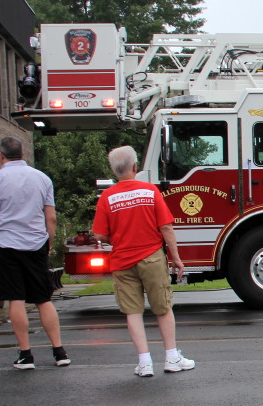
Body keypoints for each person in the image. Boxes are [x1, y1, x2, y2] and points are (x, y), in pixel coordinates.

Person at [92, 146, 196, 377]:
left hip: (122, 261)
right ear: (135, 167)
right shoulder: (150, 191)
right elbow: (166, 227)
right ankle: (171, 358)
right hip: (152, 258)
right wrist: (176, 258)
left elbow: (99, 234)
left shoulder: (107, 197)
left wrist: (117, 237)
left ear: (113, 170)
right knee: (162, 308)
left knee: (133, 312)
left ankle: (145, 362)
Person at [0, 136, 70, 370]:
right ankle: (59, 352)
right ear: (23, 155)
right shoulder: (42, 178)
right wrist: (48, 242)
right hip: (36, 244)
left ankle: (26, 355)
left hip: (6, 245)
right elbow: (51, 217)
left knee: (15, 299)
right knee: (43, 298)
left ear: (1, 155)